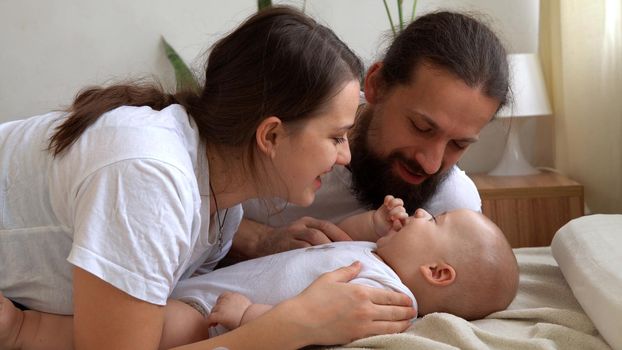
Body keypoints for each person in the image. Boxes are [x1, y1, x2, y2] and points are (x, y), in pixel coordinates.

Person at [0, 7, 416, 350]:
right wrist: (293, 325)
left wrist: (261, 240)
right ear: (270, 134)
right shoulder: (150, 175)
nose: (344, 157)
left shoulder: (216, 195)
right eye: (336, 137)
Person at [0, 196, 519, 350]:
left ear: (437, 272)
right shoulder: (378, 254)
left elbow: (321, 324)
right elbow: (335, 238)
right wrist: (374, 222)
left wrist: (250, 314)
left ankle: (25, 332)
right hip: (200, 287)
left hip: (211, 317)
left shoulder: (387, 297)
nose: (425, 212)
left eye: (438, 219)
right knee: (121, 307)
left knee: (162, 327)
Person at [231, 11, 510, 261]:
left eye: (458, 144)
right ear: (377, 85)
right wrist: (259, 240)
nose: (431, 164)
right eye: (421, 127)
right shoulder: (286, 133)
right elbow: (201, 198)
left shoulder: (452, 212)